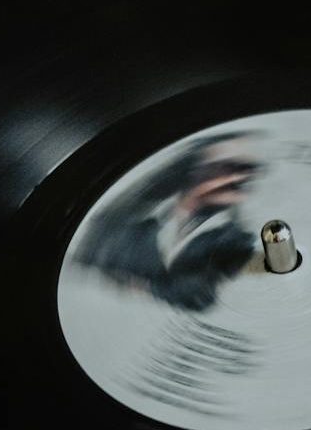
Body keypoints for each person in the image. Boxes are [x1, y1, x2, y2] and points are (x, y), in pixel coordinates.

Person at [73, 130, 264, 311]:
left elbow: (198, 297)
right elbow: (85, 257)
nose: (241, 177)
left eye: (251, 169)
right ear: (195, 167)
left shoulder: (235, 240)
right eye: (230, 166)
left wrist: (146, 286)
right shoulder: (131, 211)